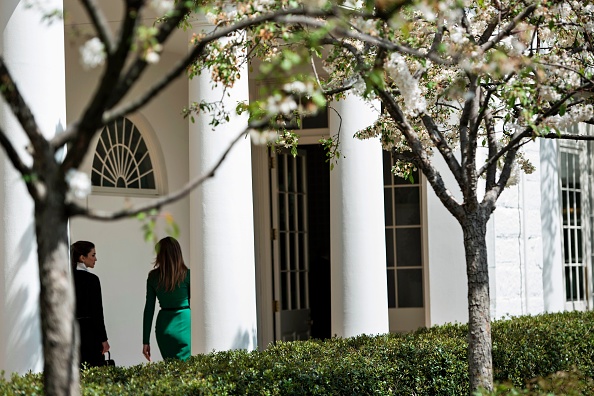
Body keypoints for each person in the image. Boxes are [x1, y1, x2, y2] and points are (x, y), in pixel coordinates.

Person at [142, 236, 191, 361]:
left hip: (164, 327)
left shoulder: (153, 277)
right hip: (185, 324)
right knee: (189, 371)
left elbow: (149, 309)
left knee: (171, 371)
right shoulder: (187, 275)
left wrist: (145, 341)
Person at [71, 240, 110, 368]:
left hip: (70, 333)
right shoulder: (92, 280)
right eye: (93, 255)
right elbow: (97, 312)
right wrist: (104, 339)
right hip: (90, 335)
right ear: (82, 258)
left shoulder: (66, 278)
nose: (96, 259)